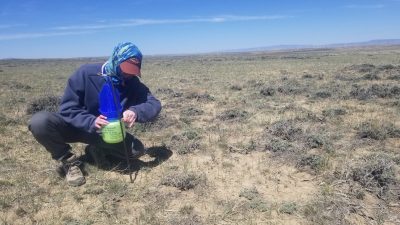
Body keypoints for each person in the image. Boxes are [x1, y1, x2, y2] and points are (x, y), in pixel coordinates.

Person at [28, 42, 162, 186]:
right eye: (125, 69)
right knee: (39, 122)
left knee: (136, 151)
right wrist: (91, 121)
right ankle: (69, 162)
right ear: (116, 59)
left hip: (106, 131)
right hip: (73, 126)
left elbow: (154, 103)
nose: (128, 74)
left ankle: (96, 149)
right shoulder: (86, 73)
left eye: (132, 71)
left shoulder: (132, 82)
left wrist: (135, 111)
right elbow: (68, 109)